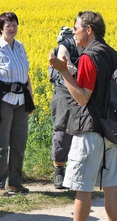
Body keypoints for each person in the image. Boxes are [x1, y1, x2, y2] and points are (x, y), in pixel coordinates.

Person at [49, 11, 117, 221]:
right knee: (111, 185)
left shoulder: (88, 57)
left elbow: (82, 97)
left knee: (83, 187)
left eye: (76, 28)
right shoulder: (114, 55)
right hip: (112, 132)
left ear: (89, 30)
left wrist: (63, 71)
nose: (74, 32)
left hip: (90, 130)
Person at [0, 12, 35, 197]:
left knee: (19, 142)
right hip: (3, 101)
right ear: (1, 29)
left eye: (14, 25)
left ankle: (15, 182)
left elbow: (25, 75)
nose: (12, 29)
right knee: (0, 143)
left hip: (20, 101)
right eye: (8, 26)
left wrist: (31, 98)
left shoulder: (20, 47)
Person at [50, 34, 82, 189]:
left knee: (86, 130)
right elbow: (66, 66)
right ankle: (59, 170)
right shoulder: (65, 47)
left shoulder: (90, 46)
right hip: (64, 90)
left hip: (83, 90)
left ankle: (80, 171)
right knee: (62, 129)